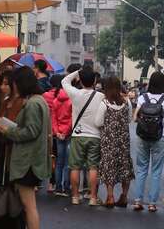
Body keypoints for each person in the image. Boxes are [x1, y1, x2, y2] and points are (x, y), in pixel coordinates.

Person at [0, 66, 51, 229]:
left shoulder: (32, 103)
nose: (13, 87)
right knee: (29, 206)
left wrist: (6, 129)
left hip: (27, 162)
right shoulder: (39, 100)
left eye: (14, 83)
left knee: (29, 206)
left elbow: (30, 131)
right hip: (31, 160)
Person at [62, 66, 105, 206]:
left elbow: (65, 81)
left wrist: (78, 72)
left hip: (77, 135)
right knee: (93, 167)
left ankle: (75, 196)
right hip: (95, 135)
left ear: (80, 81)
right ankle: (93, 197)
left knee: (75, 167)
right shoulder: (101, 96)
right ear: (94, 81)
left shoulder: (75, 93)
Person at [132, 72, 164, 212]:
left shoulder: (143, 97)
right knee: (156, 171)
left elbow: (134, 118)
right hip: (159, 137)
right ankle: (152, 203)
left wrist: (145, 122)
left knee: (141, 169)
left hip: (142, 137)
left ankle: (138, 201)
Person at [0, 70, 25, 229]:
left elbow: (21, 130)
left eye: (6, 84)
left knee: (13, 186)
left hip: (15, 150)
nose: (3, 87)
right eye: (1, 83)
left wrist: (3, 128)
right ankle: (1, 217)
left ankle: (13, 218)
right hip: (2, 147)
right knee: (0, 183)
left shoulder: (23, 103)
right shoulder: (5, 101)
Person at [96, 76, 134, 208]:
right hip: (123, 140)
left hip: (108, 141)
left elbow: (98, 122)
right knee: (125, 167)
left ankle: (110, 196)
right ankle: (124, 196)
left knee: (109, 166)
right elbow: (129, 119)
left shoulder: (104, 103)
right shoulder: (127, 102)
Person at [50, 74, 72, 196]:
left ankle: (57, 187)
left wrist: (57, 131)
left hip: (58, 134)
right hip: (67, 134)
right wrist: (65, 132)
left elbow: (53, 119)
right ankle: (66, 187)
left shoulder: (55, 101)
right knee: (68, 163)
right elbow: (71, 119)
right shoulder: (71, 100)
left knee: (59, 162)